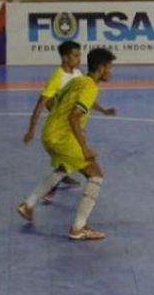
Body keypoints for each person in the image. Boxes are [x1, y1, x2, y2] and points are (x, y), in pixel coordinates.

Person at [17, 48, 116, 240]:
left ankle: (28, 205)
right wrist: (84, 147)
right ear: (101, 68)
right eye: (109, 67)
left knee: (63, 168)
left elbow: (51, 104)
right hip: (64, 137)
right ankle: (78, 228)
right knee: (96, 175)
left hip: (49, 134)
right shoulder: (90, 87)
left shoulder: (77, 80)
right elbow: (74, 117)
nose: (111, 72)